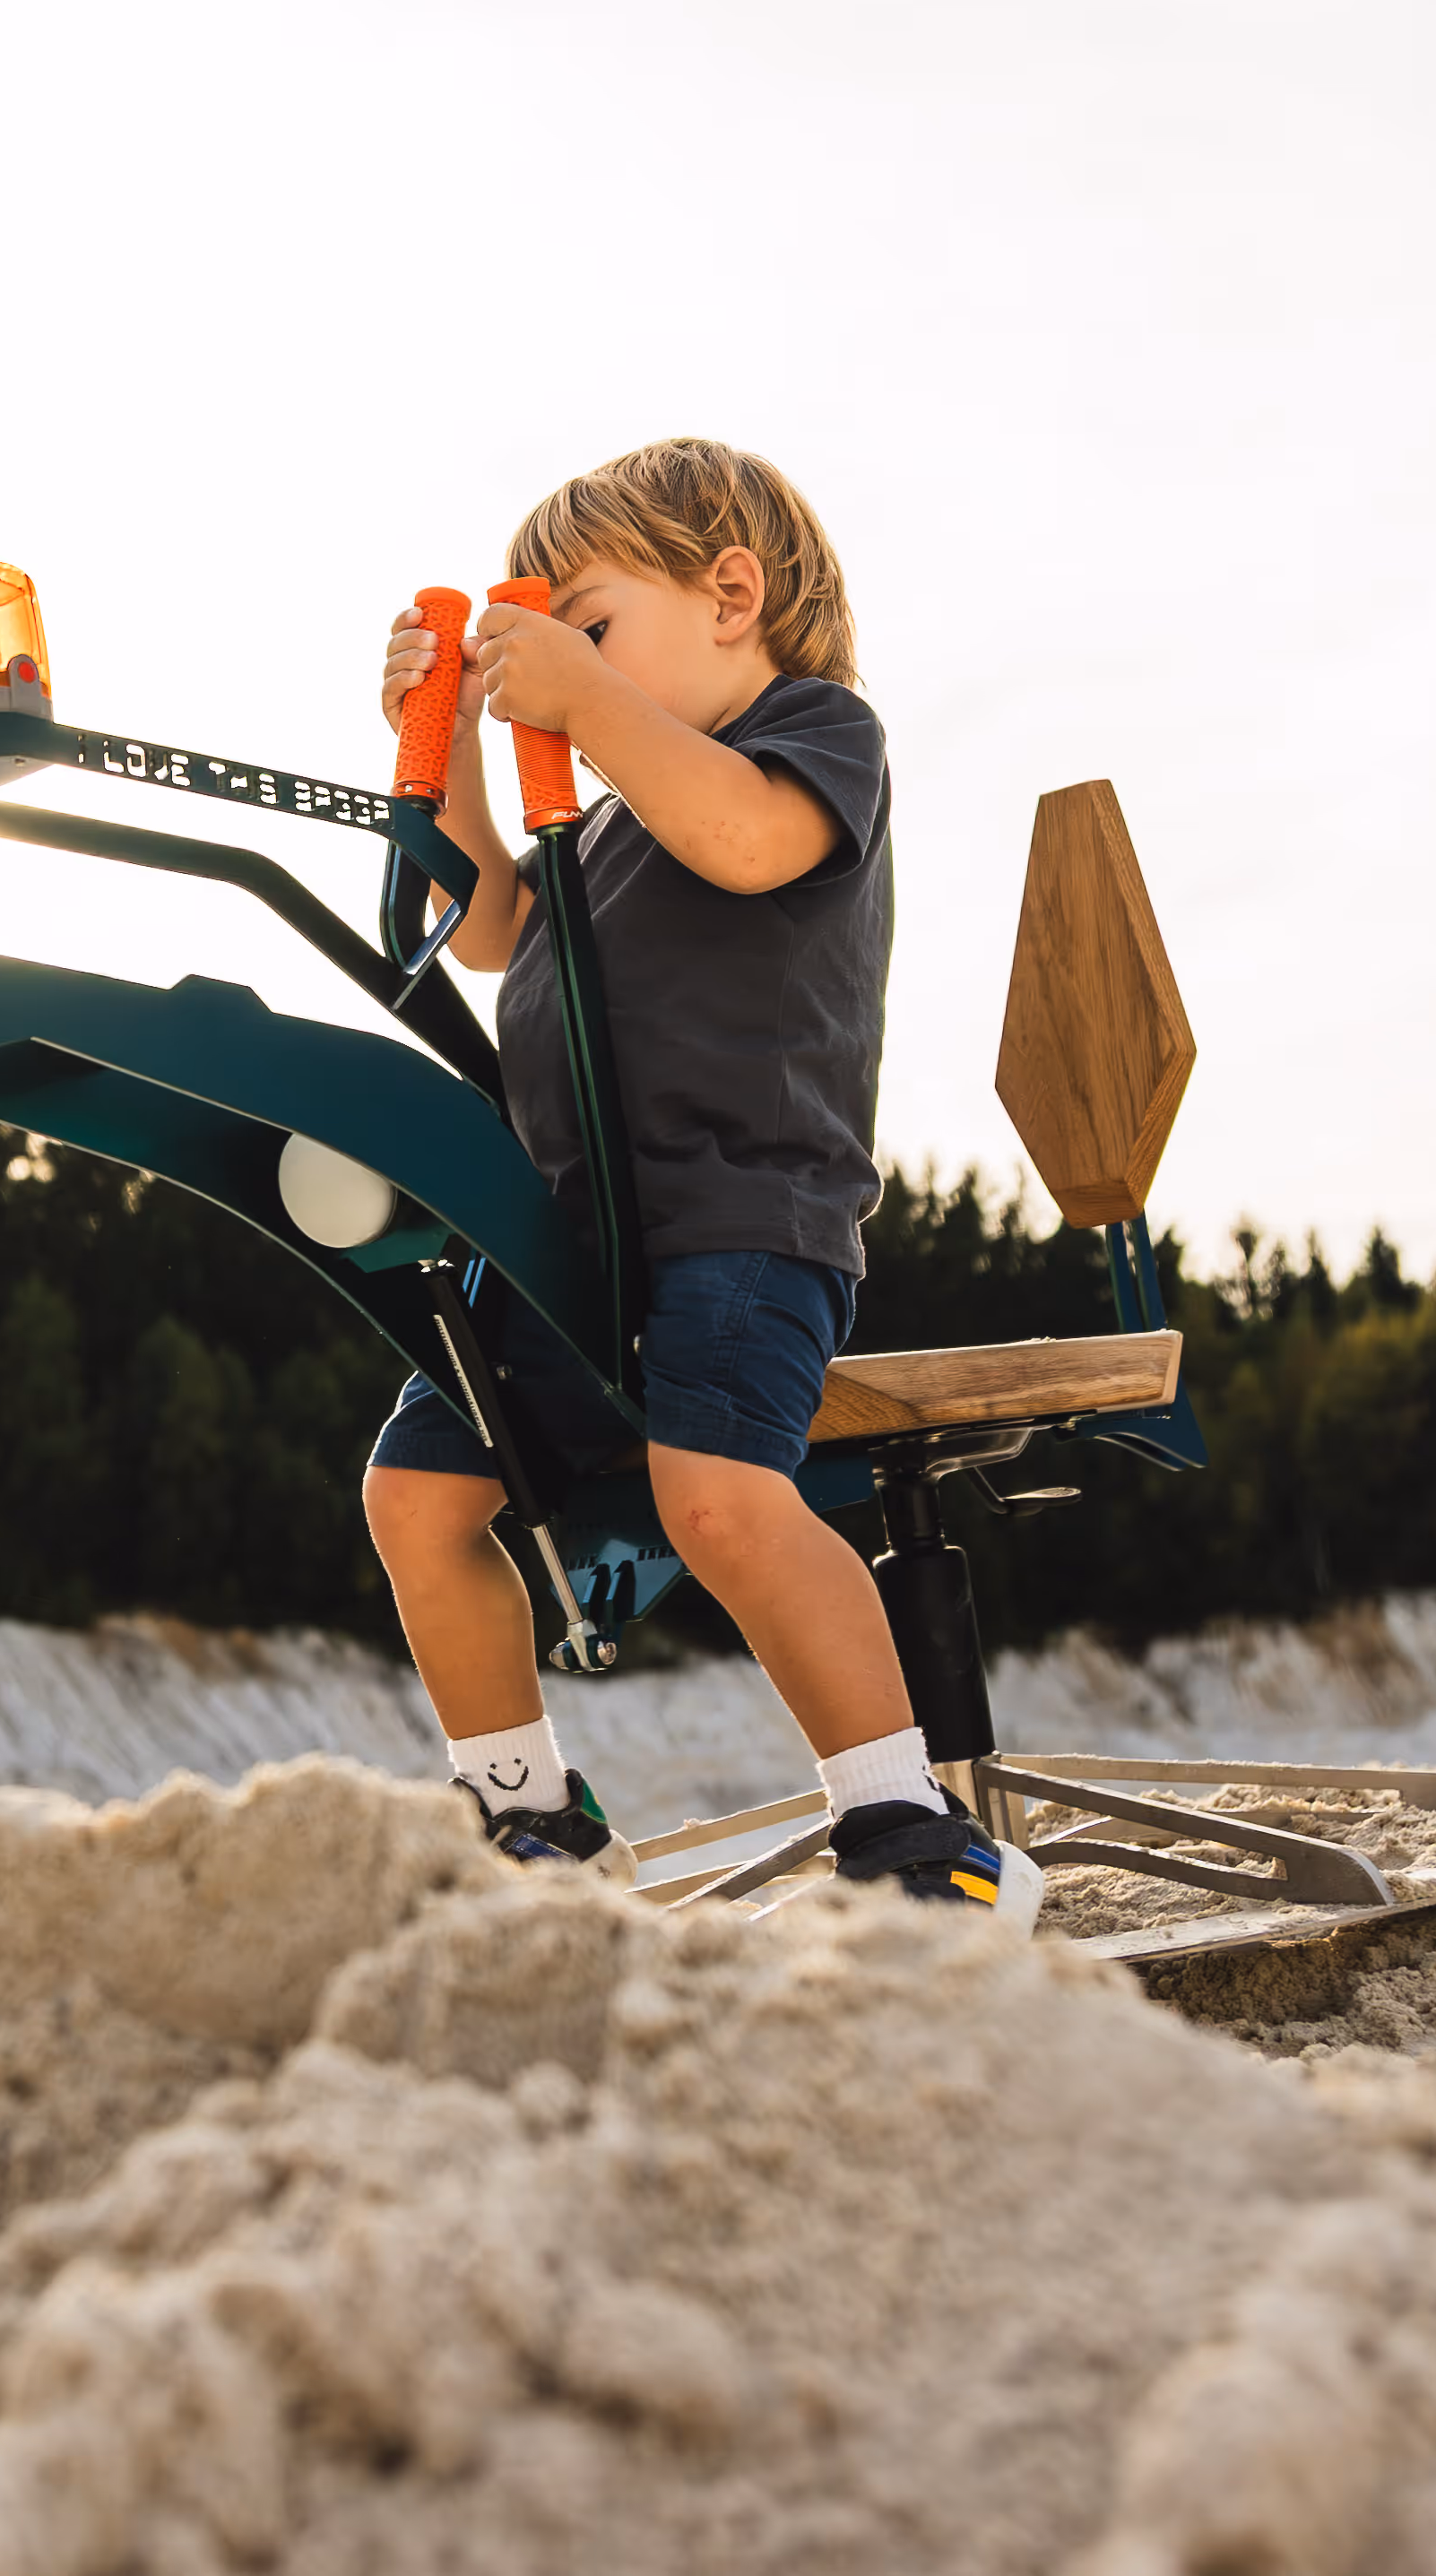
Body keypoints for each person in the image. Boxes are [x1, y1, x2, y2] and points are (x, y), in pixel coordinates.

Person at [362, 436, 1037, 1928]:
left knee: (722, 1496)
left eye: (589, 624)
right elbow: (484, 931)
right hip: (568, 1242)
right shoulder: (597, 825)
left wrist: (585, 702)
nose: (567, 671)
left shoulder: (814, 738)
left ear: (733, 593)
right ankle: (531, 1816)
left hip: (743, 1220)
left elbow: (742, 840)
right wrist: (450, 732)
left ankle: (906, 1822)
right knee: (415, 1495)